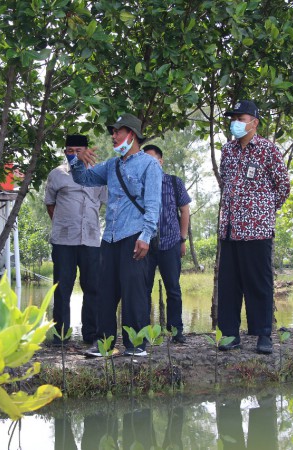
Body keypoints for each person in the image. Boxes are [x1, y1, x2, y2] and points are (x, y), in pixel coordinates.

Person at [72, 113, 162, 357]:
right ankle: (104, 345)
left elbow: (154, 205)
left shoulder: (150, 165)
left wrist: (146, 236)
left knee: (134, 293)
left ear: (131, 135)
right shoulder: (112, 165)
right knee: (105, 292)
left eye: (117, 131)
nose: (113, 136)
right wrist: (76, 158)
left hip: (135, 236)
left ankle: (136, 346)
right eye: (112, 131)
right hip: (109, 237)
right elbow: (83, 178)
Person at [217, 100, 290, 354]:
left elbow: (283, 186)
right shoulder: (227, 150)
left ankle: (263, 335)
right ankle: (229, 334)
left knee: (259, 283)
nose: (236, 122)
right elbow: (225, 181)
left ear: (254, 122)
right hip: (229, 229)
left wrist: (263, 211)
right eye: (233, 117)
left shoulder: (268, 150)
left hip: (257, 230)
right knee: (229, 285)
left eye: (241, 117)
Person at [44, 134, 106, 345]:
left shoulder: (98, 175)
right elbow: (50, 204)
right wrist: (63, 224)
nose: (74, 155)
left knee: (93, 288)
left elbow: (105, 202)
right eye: (70, 151)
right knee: (62, 288)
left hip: (90, 240)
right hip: (64, 241)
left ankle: (91, 334)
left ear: (87, 152)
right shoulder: (57, 174)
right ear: (65, 152)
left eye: (79, 151)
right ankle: (61, 335)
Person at [142, 144, 191, 344]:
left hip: (170, 242)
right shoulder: (139, 184)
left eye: (152, 160)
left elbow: (185, 211)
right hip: (145, 243)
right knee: (143, 289)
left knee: (173, 288)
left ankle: (176, 330)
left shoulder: (173, 182)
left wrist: (182, 239)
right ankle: (143, 333)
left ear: (160, 162)